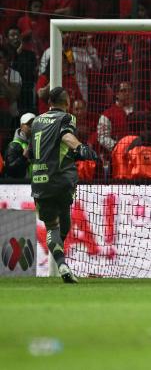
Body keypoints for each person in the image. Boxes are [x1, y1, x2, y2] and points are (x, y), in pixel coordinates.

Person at [30, 87, 98, 283]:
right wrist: (81, 148)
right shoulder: (66, 118)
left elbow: (31, 152)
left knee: (52, 227)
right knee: (63, 221)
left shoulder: (36, 121)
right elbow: (66, 136)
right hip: (60, 179)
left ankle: (61, 265)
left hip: (39, 181)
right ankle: (62, 262)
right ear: (67, 101)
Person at [4, 112, 35, 179]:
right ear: (21, 126)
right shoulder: (13, 145)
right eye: (28, 124)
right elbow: (9, 169)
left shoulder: (37, 142)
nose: (31, 126)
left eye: (34, 124)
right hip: (21, 185)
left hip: (35, 184)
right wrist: (23, 158)